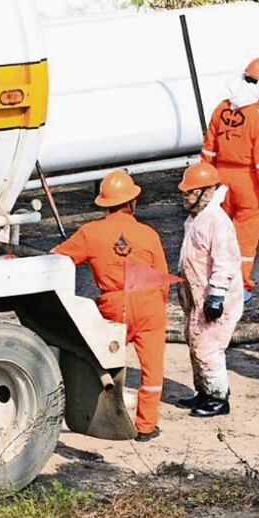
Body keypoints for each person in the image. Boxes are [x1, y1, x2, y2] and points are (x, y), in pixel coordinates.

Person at [52, 169, 169, 442]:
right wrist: (156, 308)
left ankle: (97, 415)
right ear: (131, 202)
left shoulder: (90, 233)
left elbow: (57, 258)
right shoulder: (148, 234)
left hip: (114, 304)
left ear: (104, 203)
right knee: (152, 368)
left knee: (100, 359)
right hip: (150, 301)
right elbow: (162, 277)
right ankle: (146, 426)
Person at [200, 56, 259, 300]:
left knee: (217, 235)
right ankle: (238, 287)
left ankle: (213, 284)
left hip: (220, 180)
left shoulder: (222, 108)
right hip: (249, 183)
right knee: (244, 241)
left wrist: (205, 187)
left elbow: (208, 151)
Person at [176, 161, 244, 417]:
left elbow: (225, 261)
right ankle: (204, 392)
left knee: (208, 349)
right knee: (195, 344)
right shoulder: (195, 219)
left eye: (190, 192)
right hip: (197, 297)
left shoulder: (217, 221)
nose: (185, 196)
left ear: (206, 192)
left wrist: (216, 296)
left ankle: (218, 399)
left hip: (214, 300)